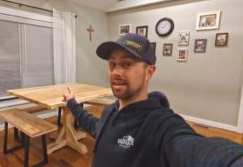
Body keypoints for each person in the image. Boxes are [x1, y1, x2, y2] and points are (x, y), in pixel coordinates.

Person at [62, 33, 243, 167]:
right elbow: (95, 126)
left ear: (149, 72)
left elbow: (195, 150)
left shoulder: (162, 125)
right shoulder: (111, 111)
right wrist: (72, 102)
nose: (116, 72)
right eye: (112, 64)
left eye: (127, 64)